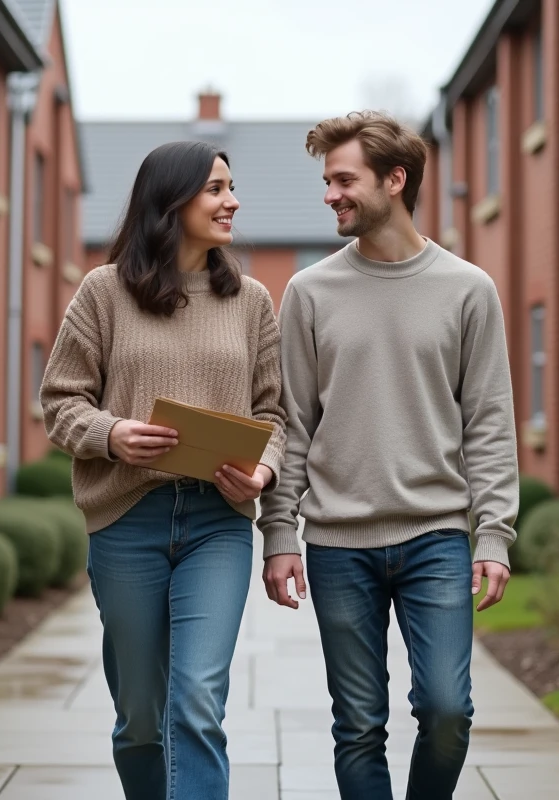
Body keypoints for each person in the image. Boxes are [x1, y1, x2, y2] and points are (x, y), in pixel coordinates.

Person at [257, 111, 518, 800]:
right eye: (327, 181)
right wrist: (279, 533)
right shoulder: (310, 293)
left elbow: (489, 421)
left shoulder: (469, 289)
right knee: (358, 726)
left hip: (437, 538)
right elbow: (290, 424)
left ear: (394, 180)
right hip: (339, 545)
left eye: (344, 179)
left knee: (446, 713)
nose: (329, 194)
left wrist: (493, 534)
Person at [40, 140, 287, 800]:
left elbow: (275, 415)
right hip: (126, 523)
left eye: (231, 187)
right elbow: (60, 402)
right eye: (215, 189)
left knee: (198, 704)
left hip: (217, 524)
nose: (232, 201)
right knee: (142, 723)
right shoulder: (104, 292)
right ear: (170, 201)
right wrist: (113, 435)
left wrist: (261, 471)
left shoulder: (253, 301)